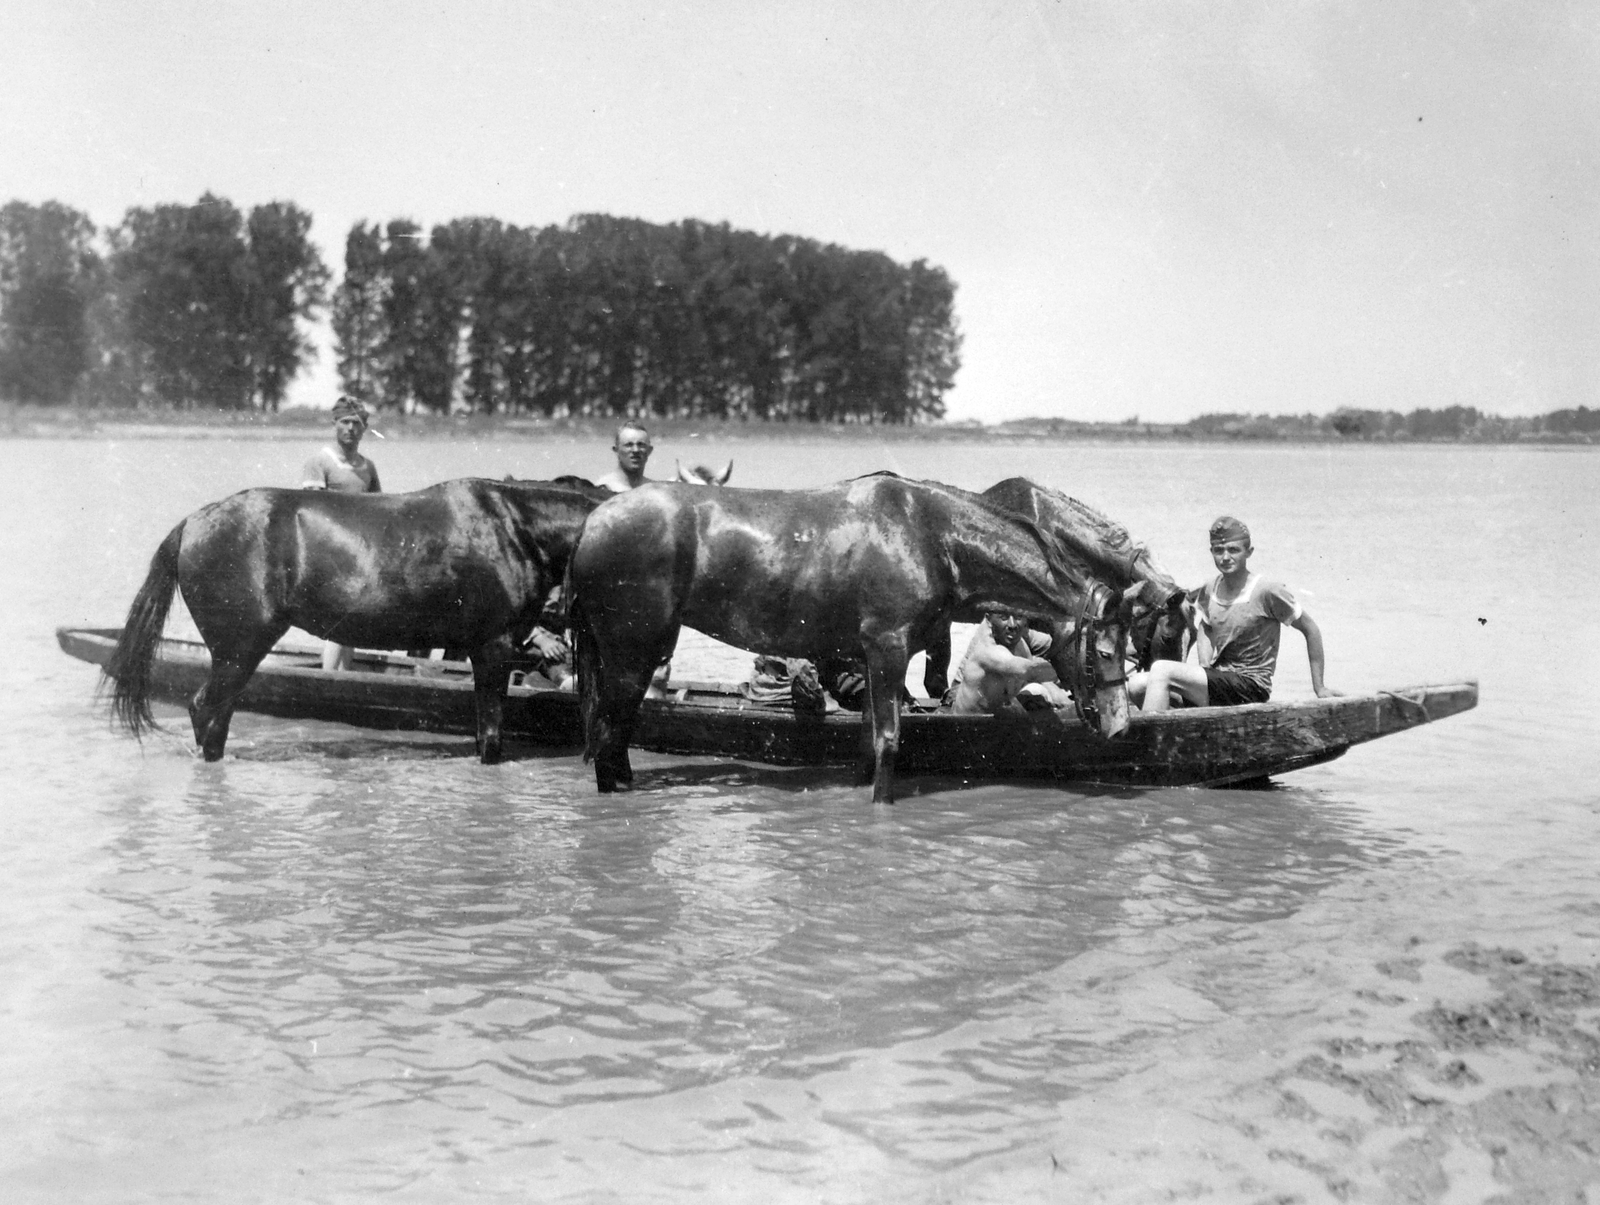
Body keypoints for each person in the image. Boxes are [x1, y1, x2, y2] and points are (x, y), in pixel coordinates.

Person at [1127, 516, 1337, 712]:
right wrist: (1204, 666)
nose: (1225, 557)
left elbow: (1311, 629)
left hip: (1250, 687)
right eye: (1219, 550)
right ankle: (1180, 737)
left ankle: (1151, 745)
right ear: (1212, 552)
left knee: (1162, 670)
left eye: (1233, 550)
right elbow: (1206, 626)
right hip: (1220, 680)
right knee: (1137, 685)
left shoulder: (1268, 591)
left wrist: (1320, 687)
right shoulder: (1211, 588)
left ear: (1249, 552)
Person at [300, 397, 381, 670]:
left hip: (360, 555)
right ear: (334, 424)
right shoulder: (319, 462)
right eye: (344, 422)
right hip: (329, 553)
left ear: (365, 428)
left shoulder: (368, 468)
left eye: (356, 424)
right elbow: (311, 516)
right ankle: (328, 682)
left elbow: (379, 512)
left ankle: (345, 679)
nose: (350, 429)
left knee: (353, 619)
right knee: (340, 622)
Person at [948, 611, 1068, 715]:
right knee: (1036, 691)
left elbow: (1038, 677)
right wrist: (1070, 671)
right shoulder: (987, 651)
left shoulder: (1020, 645)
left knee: (1039, 695)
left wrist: (1064, 701)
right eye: (1003, 618)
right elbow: (1029, 670)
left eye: (1019, 617)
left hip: (993, 729)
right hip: (966, 730)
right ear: (989, 620)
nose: (1012, 624)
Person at [595, 422, 654, 492]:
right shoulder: (604, 488)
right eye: (629, 445)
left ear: (649, 450)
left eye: (641, 445)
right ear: (616, 450)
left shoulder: (655, 489)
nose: (635, 450)